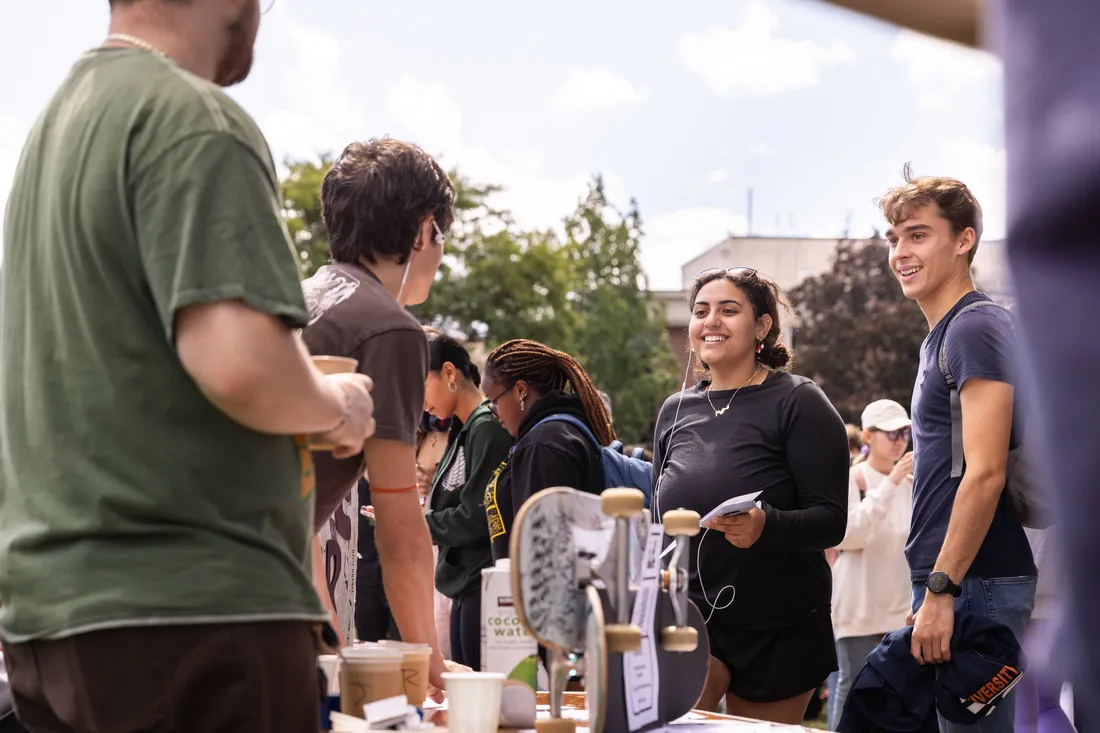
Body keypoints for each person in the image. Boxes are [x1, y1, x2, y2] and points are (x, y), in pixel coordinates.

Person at [0, 1, 377, 730]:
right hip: (194, 617)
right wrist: (335, 403)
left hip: (53, 621)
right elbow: (240, 364)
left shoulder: (54, 132)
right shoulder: (194, 120)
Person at [651, 267, 849, 724]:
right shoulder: (675, 410)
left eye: (729, 310)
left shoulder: (799, 402)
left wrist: (767, 525)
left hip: (779, 627)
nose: (711, 321)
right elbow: (657, 519)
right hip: (690, 618)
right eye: (702, 311)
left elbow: (831, 520)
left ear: (762, 326)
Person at [880, 170, 1036, 732]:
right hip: (957, 580)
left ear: (964, 239)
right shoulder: (942, 335)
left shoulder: (974, 327)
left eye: (918, 235)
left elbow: (986, 472)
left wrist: (943, 589)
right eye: (894, 238)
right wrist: (931, 587)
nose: (901, 252)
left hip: (979, 582)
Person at [301, 137, 454, 694]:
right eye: (442, 240)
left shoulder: (297, 299)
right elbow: (398, 519)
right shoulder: (387, 326)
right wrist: (431, 663)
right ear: (423, 230)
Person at [422, 331, 514, 670]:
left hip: (483, 583)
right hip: (467, 584)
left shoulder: (487, 425)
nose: (420, 402)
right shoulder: (465, 428)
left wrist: (419, 524)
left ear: (449, 373)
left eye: (420, 387)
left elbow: (478, 515)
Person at [480, 339, 615, 560]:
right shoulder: (555, 434)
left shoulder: (543, 444)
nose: (493, 412)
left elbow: (545, 551)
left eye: (493, 401)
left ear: (521, 390)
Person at [828, 399, 914, 730]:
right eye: (890, 433)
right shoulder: (854, 478)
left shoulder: (911, 482)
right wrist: (891, 482)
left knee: (900, 689)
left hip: (898, 605)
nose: (899, 440)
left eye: (904, 432)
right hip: (858, 604)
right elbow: (850, 535)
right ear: (867, 436)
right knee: (850, 686)